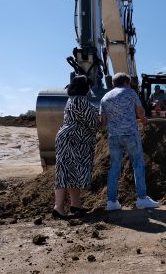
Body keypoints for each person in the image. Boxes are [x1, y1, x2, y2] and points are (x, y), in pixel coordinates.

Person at [100, 73, 159, 210]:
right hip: (130, 134)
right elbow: (140, 111)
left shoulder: (105, 97)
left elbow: (103, 122)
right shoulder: (130, 93)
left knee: (114, 167)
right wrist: (144, 120)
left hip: (114, 136)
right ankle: (142, 199)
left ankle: (111, 202)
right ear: (126, 82)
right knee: (138, 164)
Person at [53, 75, 100, 219]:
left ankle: (75, 204)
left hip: (68, 138)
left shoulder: (71, 100)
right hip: (74, 140)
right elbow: (93, 124)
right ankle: (58, 208)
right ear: (84, 88)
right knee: (65, 173)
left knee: (71, 171)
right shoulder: (82, 101)